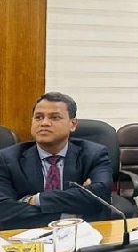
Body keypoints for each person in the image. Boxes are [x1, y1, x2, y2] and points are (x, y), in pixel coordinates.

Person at [0, 92, 113, 229]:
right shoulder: (7, 159)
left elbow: (100, 197)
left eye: (54, 117)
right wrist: (66, 216)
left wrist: (37, 200)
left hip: (83, 234)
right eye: (38, 117)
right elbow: (4, 211)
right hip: (28, 235)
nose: (44, 123)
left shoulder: (94, 154)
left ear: (73, 124)